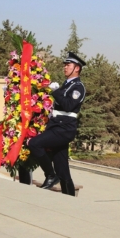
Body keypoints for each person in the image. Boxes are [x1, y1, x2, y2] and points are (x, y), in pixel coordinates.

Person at [28, 52, 86, 196]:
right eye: (65, 65)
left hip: (64, 129)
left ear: (77, 68)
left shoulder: (78, 87)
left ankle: (50, 175)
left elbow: (68, 106)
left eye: (68, 65)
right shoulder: (66, 85)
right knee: (63, 170)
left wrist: (56, 91)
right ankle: (70, 199)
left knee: (34, 144)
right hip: (57, 126)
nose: (65, 68)